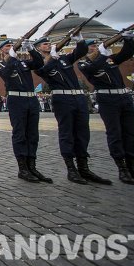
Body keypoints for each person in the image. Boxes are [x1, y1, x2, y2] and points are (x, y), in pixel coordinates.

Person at [78, 32, 134, 185]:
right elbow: (92, 70)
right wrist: (102, 54)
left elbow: (127, 53)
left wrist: (128, 39)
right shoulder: (84, 63)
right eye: (91, 46)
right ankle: (122, 169)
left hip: (124, 97)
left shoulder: (110, 60)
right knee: (115, 133)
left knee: (131, 133)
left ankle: (133, 168)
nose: (95, 47)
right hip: (107, 99)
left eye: (96, 45)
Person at [34, 36, 111, 185]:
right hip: (62, 100)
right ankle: (71, 169)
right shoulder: (39, 62)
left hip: (78, 98)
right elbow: (43, 71)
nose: (48, 45)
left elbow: (80, 51)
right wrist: (53, 57)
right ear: (38, 48)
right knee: (67, 133)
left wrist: (79, 39)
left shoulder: (64, 59)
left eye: (49, 43)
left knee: (83, 133)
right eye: (45, 44)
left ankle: (84, 168)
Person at [0, 39, 48, 183]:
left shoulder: (22, 63)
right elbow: (6, 74)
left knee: (33, 134)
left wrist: (31, 49)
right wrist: (12, 57)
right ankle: (22, 169)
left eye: (12, 46)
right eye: (8, 46)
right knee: (20, 134)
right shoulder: (0, 64)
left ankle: (32, 167)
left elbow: (38, 63)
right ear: (2, 50)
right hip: (16, 100)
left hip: (31, 99)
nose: (11, 47)